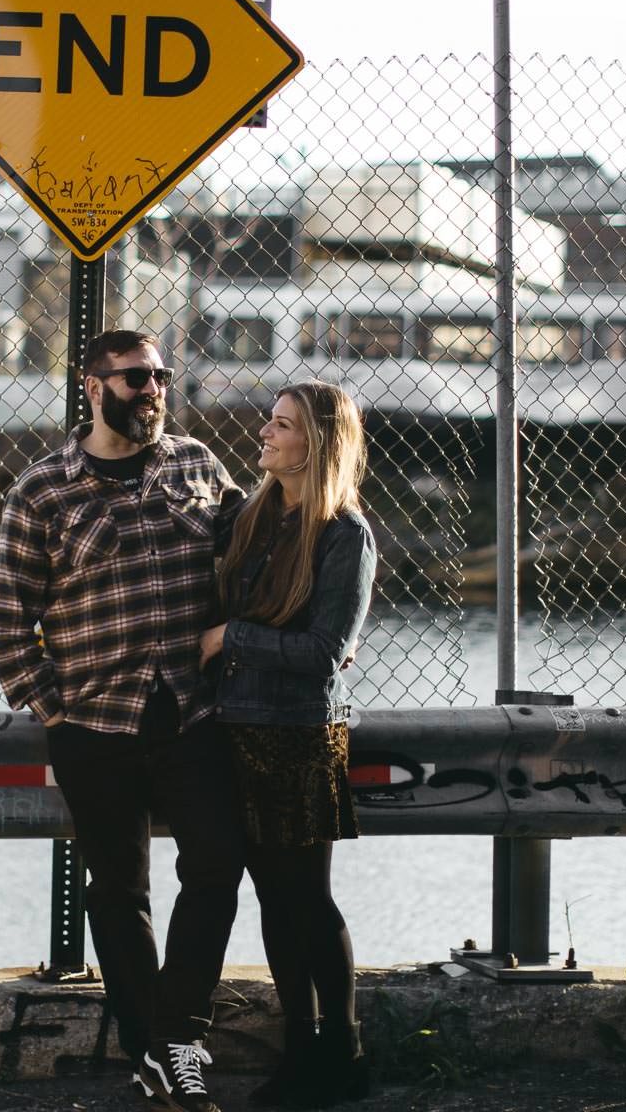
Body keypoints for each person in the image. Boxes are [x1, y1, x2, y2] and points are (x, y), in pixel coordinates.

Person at [0, 328, 246, 1112]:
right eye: (136, 378)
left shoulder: (198, 464)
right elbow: (9, 622)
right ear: (93, 387)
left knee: (215, 867)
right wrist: (53, 707)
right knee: (119, 889)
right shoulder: (42, 490)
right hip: (94, 723)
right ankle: (157, 1053)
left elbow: (256, 551)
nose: (154, 390)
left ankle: (175, 1040)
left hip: (192, 714)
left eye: (162, 376)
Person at [200, 380, 377, 1108]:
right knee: (273, 899)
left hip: (300, 735)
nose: (265, 435)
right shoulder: (249, 515)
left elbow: (325, 651)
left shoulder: (346, 535)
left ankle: (343, 1049)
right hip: (237, 730)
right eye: (269, 422)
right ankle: (301, 1051)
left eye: (281, 426)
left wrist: (230, 638)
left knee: (307, 898)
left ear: (318, 443)